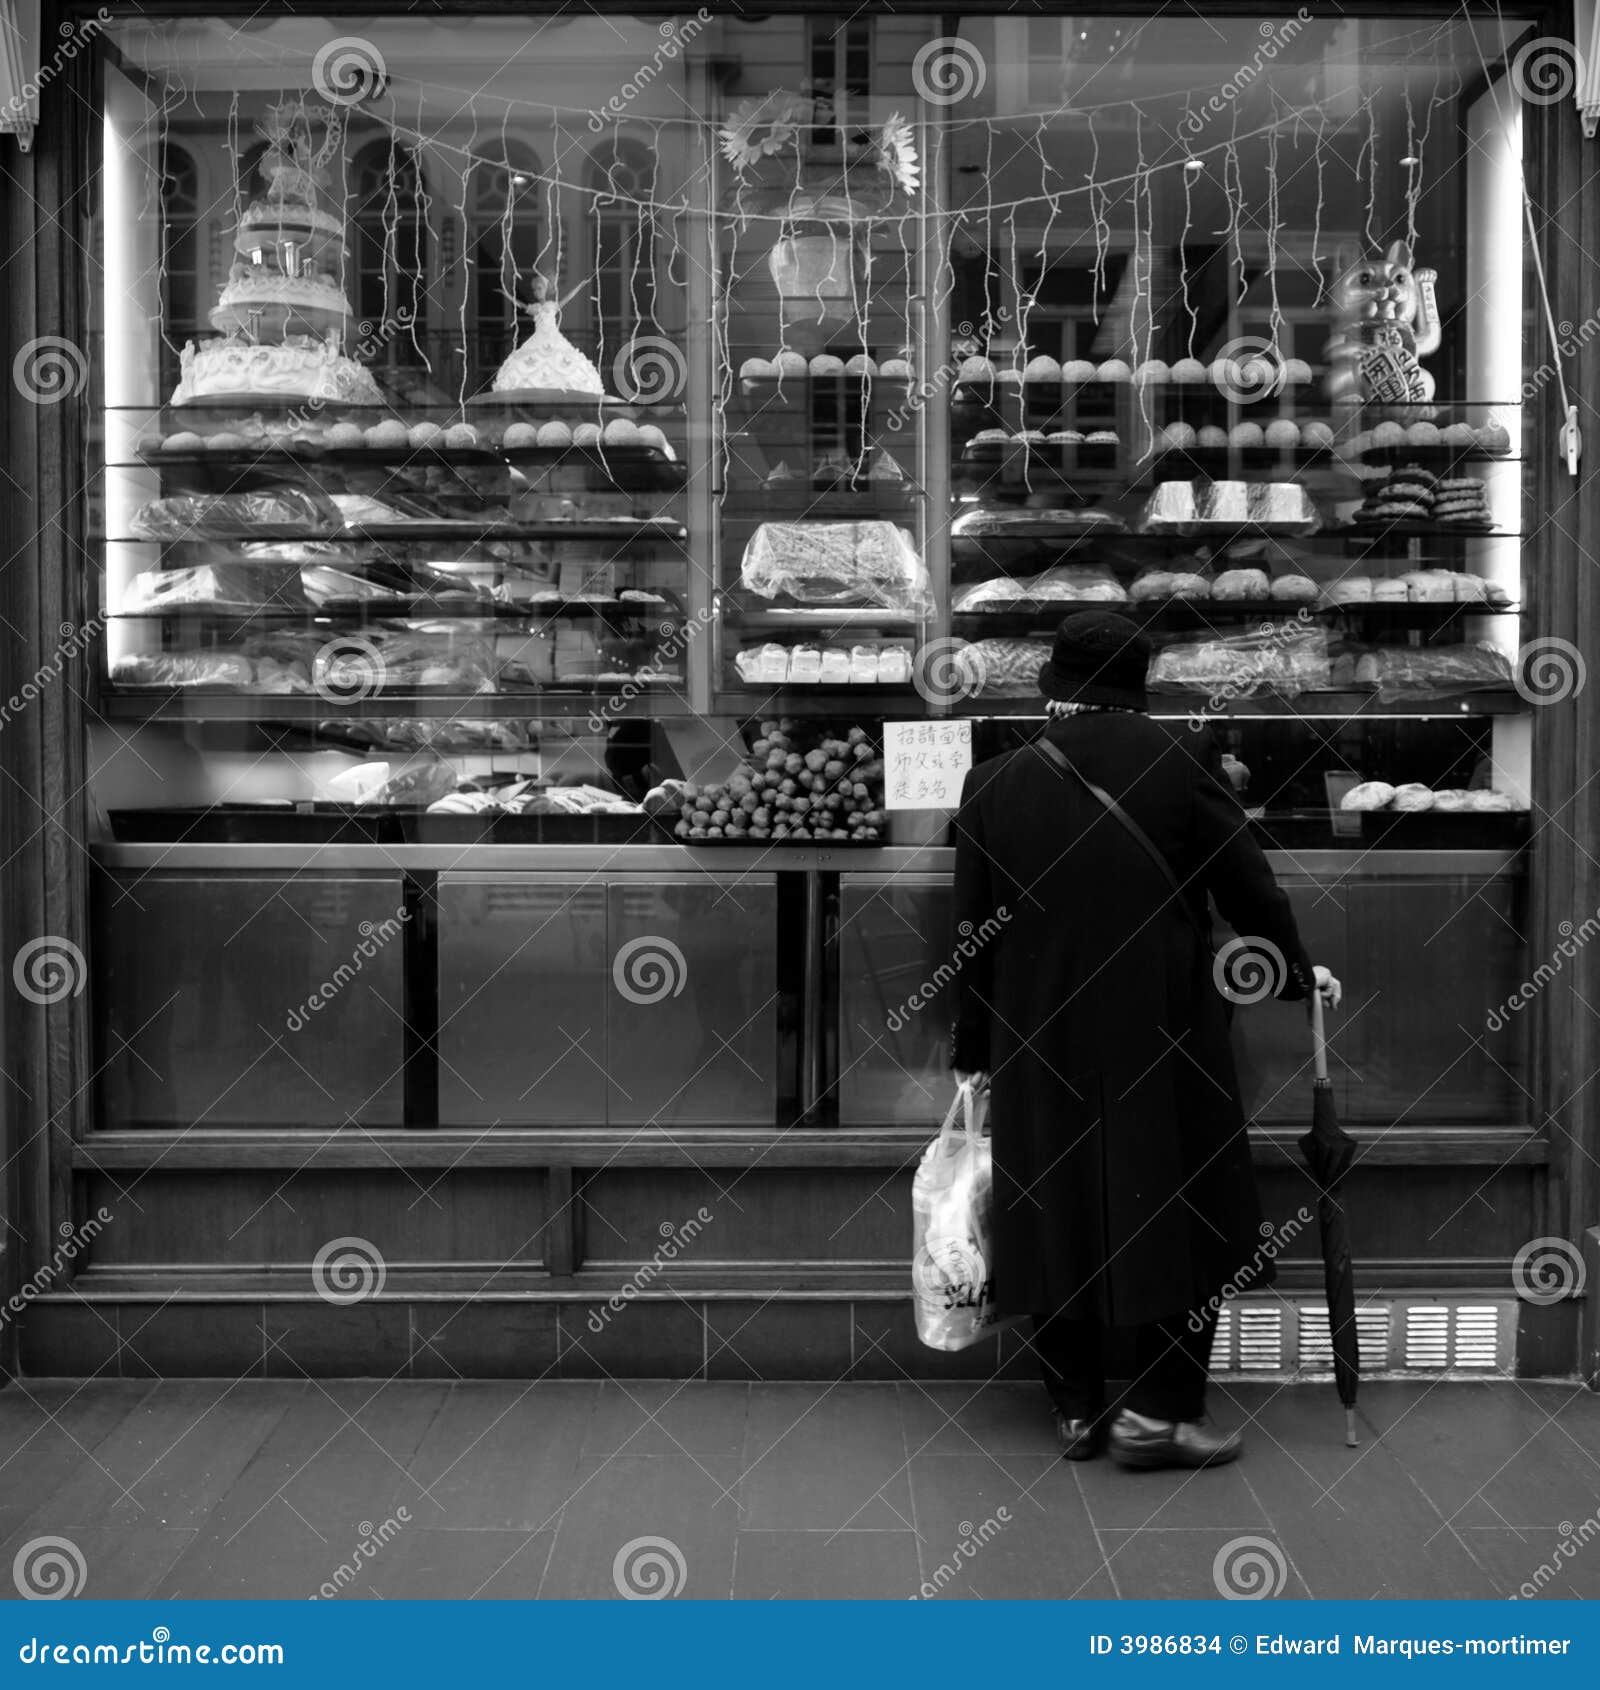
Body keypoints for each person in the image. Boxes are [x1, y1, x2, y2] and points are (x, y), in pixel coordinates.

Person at [949, 611, 1341, 1471]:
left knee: (1049, 1205)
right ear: (1140, 683)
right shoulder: (1182, 764)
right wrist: (1292, 974)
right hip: (1163, 1031)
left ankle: (1077, 1408)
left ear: (1057, 685)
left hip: (1038, 1031)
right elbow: (1251, 889)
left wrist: (974, 1052)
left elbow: (971, 935)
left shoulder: (993, 785)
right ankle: (1161, 1414)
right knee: (1177, 1205)